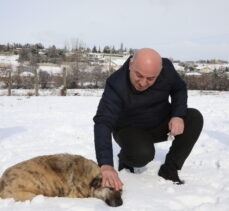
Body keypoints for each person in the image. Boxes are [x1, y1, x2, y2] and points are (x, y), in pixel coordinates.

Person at [93, 48, 203, 190]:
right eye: (138, 75)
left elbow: (179, 89)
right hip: (129, 129)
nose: (143, 83)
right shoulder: (116, 83)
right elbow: (103, 121)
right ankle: (126, 157)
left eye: (150, 78)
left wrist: (178, 115)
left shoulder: (167, 68)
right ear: (131, 65)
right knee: (142, 155)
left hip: (159, 122)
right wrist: (106, 164)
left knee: (194, 118)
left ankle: (169, 169)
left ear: (160, 71)